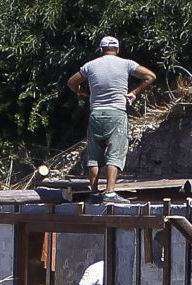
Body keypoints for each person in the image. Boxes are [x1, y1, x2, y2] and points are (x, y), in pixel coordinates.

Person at [66, 36, 155, 203]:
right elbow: (150, 76)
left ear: (101, 49)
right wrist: (134, 92)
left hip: (96, 114)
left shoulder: (90, 65)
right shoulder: (126, 64)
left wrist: (80, 92)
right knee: (114, 153)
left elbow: (71, 82)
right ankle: (110, 193)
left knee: (94, 156)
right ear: (118, 49)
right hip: (116, 114)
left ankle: (94, 194)